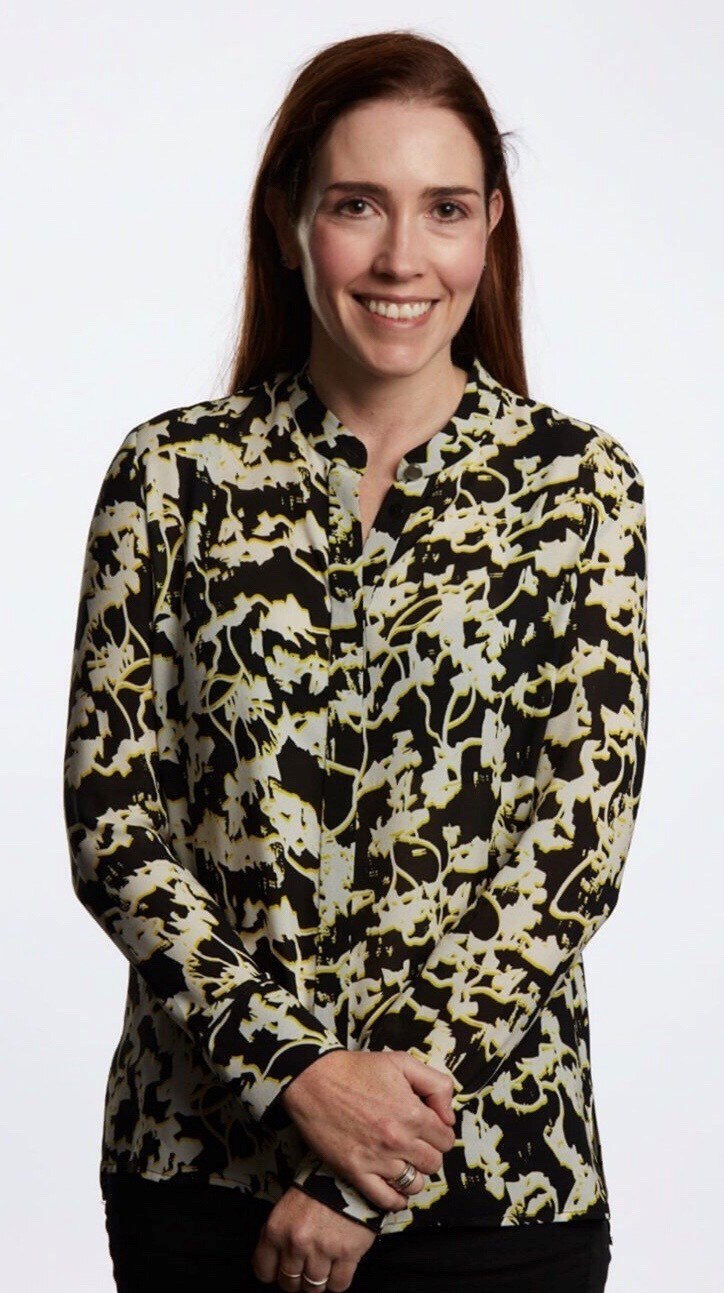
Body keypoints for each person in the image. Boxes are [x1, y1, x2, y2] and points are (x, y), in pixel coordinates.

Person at [62, 28, 648, 1293]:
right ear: (290, 224)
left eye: (443, 210)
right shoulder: (172, 476)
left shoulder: (578, 490)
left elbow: (571, 846)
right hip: (201, 1177)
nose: (400, 257)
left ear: (489, 230)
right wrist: (292, 1076)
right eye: (355, 206)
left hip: (497, 1190)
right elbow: (117, 823)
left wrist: (359, 1167)